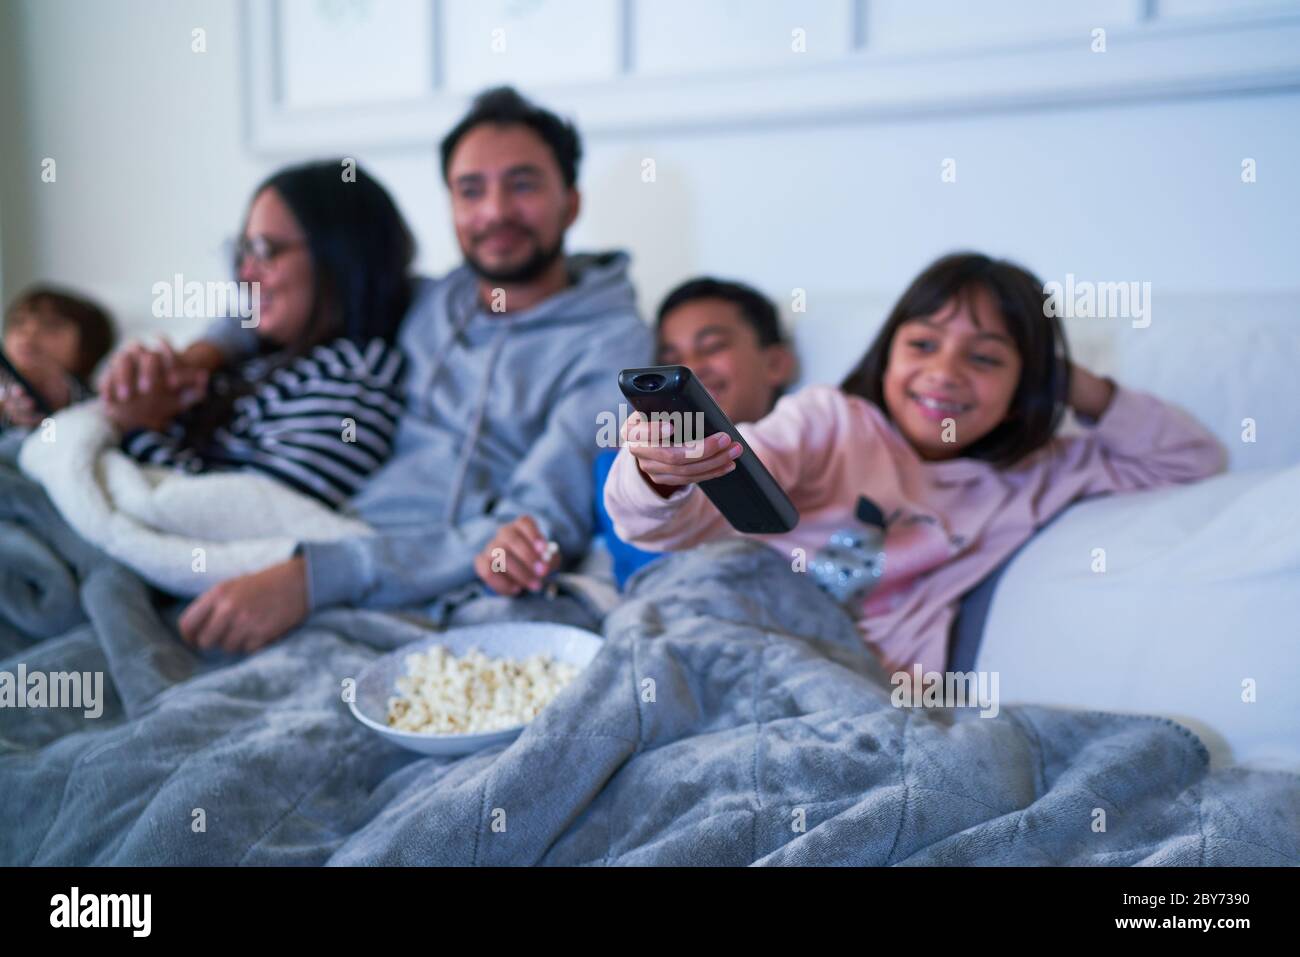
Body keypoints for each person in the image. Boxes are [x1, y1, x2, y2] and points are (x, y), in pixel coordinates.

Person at [100, 86, 652, 654]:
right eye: (470, 190)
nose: (495, 212)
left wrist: (315, 579)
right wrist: (199, 356)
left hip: (420, 583)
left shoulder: (614, 346)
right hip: (325, 537)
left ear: (572, 203)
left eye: (523, 184)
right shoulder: (434, 301)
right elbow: (306, 294)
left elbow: (539, 518)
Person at [604, 251, 1227, 679]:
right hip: (753, 633)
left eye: (984, 358)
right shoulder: (830, 423)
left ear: (1026, 384)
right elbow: (669, 523)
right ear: (888, 352)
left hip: (865, 693)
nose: (944, 374)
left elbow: (1191, 457)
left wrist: (1067, 382)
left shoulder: (1036, 474)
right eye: (923, 344)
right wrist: (660, 472)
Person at [109, 161, 411, 508]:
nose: (245, 274)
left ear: (341, 257)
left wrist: (136, 428)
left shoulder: (354, 374)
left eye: (266, 251)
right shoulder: (264, 350)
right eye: (244, 252)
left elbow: (245, 516)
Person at [583, 277, 795, 590]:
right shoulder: (616, 468)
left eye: (712, 347)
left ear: (776, 363)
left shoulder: (807, 447)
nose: (691, 367)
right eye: (670, 359)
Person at [1, 286, 117, 428]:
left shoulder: (101, 406)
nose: (29, 332)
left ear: (88, 346)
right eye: (18, 322)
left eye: (51, 325)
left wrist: (61, 398)